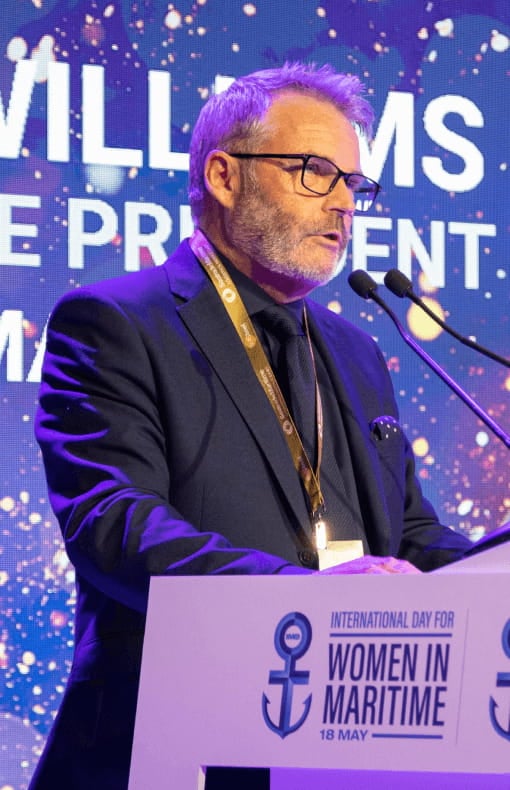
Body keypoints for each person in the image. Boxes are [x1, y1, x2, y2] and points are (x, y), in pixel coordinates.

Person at [30, 62, 471, 789]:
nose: (343, 207)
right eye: (313, 172)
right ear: (225, 176)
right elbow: (116, 527)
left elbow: (410, 536)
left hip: (348, 749)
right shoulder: (112, 324)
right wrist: (303, 597)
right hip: (169, 749)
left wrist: (491, 577)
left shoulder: (358, 352)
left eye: (354, 185)